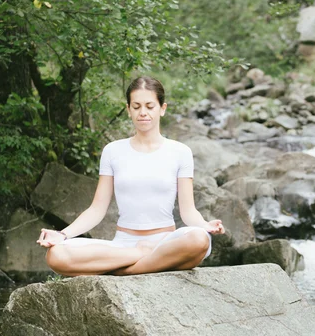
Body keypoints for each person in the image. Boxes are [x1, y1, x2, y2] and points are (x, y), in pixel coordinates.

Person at [36, 76, 225, 276]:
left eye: (150, 106)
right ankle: (142, 257)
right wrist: (62, 235)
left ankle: (124, 271)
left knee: (199, 240)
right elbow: (97, 209)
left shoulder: (180, 152)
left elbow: (188, 211)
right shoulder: (113, 151)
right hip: (123, 246)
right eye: (136, 106)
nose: (143, 112)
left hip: (165, 243)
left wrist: (205, 225)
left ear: (162, 108)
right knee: (56, 255)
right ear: (128, 110)